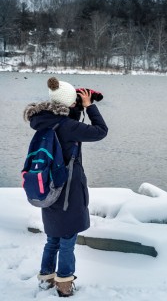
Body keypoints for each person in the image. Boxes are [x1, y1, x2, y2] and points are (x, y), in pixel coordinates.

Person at [23, 77, 108, 297]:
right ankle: (64, 285)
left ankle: (46, 278)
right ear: (70, 103)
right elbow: (100, 131)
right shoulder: (69, 127)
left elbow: (69, 124)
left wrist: (76, 107)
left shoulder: (45, 121)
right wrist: (90, 107)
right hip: (68, 190)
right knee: (68, 239)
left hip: (49, 189)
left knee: (52, 238)